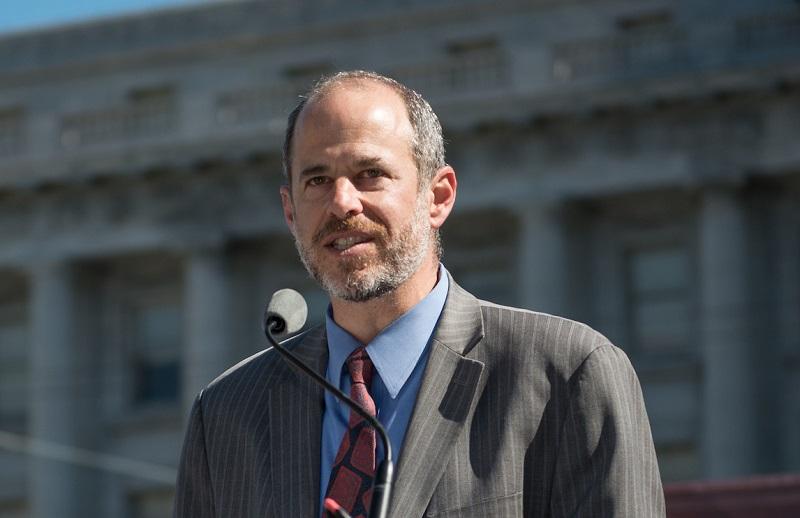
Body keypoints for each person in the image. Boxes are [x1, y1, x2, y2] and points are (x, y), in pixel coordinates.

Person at [174, 70, 665, 518]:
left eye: (370, 174)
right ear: (290, 212)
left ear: (438, 196)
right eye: (317, 180)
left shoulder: (568, 374)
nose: (342, 202)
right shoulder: (225, 413)